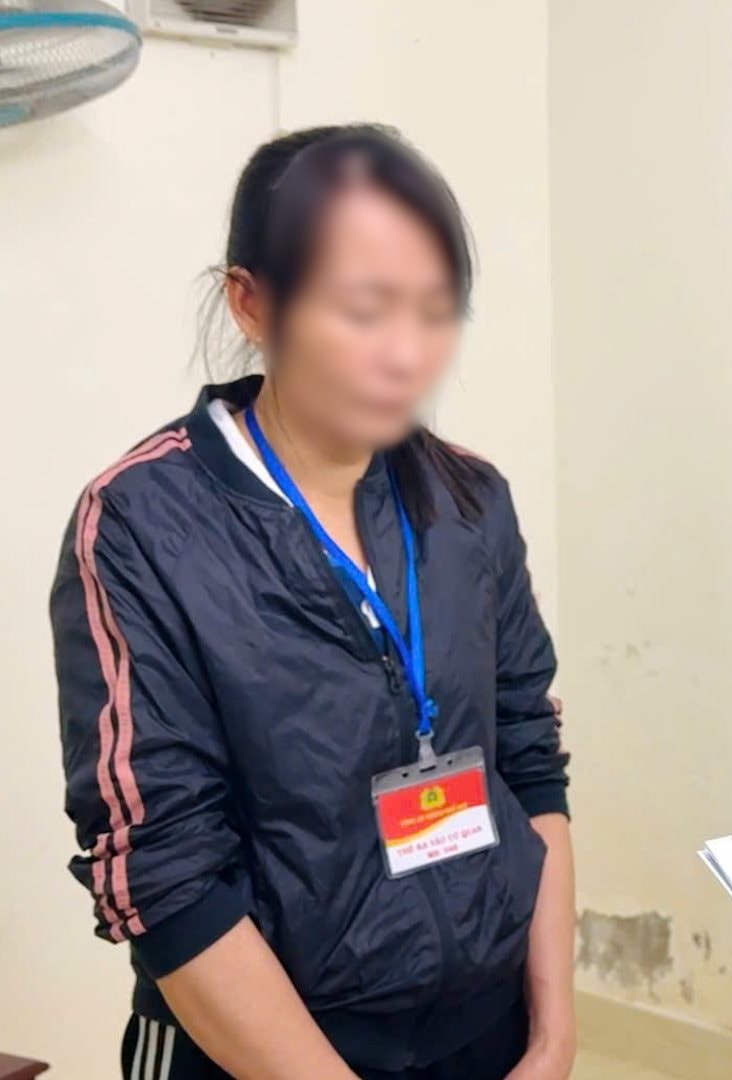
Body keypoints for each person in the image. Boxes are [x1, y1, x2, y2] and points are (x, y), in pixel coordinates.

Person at [49, 125, 576, 1080]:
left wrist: (553, 1033)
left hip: (483, 1030)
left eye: (434, 310)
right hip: (257, 1051)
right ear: (252, 303)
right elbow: (164, 873)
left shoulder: (468, 499)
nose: (406, 354)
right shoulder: (140, 523)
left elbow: (529, 762)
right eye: (364, 310)